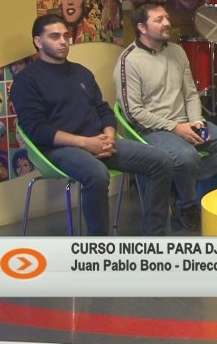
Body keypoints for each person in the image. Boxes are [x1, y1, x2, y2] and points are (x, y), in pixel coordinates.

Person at [10, 14, 173, 236]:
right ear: (38, 42)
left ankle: (155, 236)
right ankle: (98, 245)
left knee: (161, 161)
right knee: (96, 174)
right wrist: (86, 143)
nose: (63, 41)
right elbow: (37, 131)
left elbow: (103, 109)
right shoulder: (26, 81)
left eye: (66, 36)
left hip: (99, 141)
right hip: (59, 149)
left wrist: (109, 135)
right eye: (55, 36)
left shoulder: (81, 72)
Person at [115, 1, 217, 231]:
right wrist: (175, 128)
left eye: (166, 17)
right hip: (152, 130)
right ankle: (187, 204)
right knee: (187, 157)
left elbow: (190, 93)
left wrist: (196, 121)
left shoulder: (177, 51)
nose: (167, 22)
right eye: (159, 19)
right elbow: (133, 112)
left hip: (186, 122)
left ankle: (176, 182)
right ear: (142, 27)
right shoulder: (129, 61)